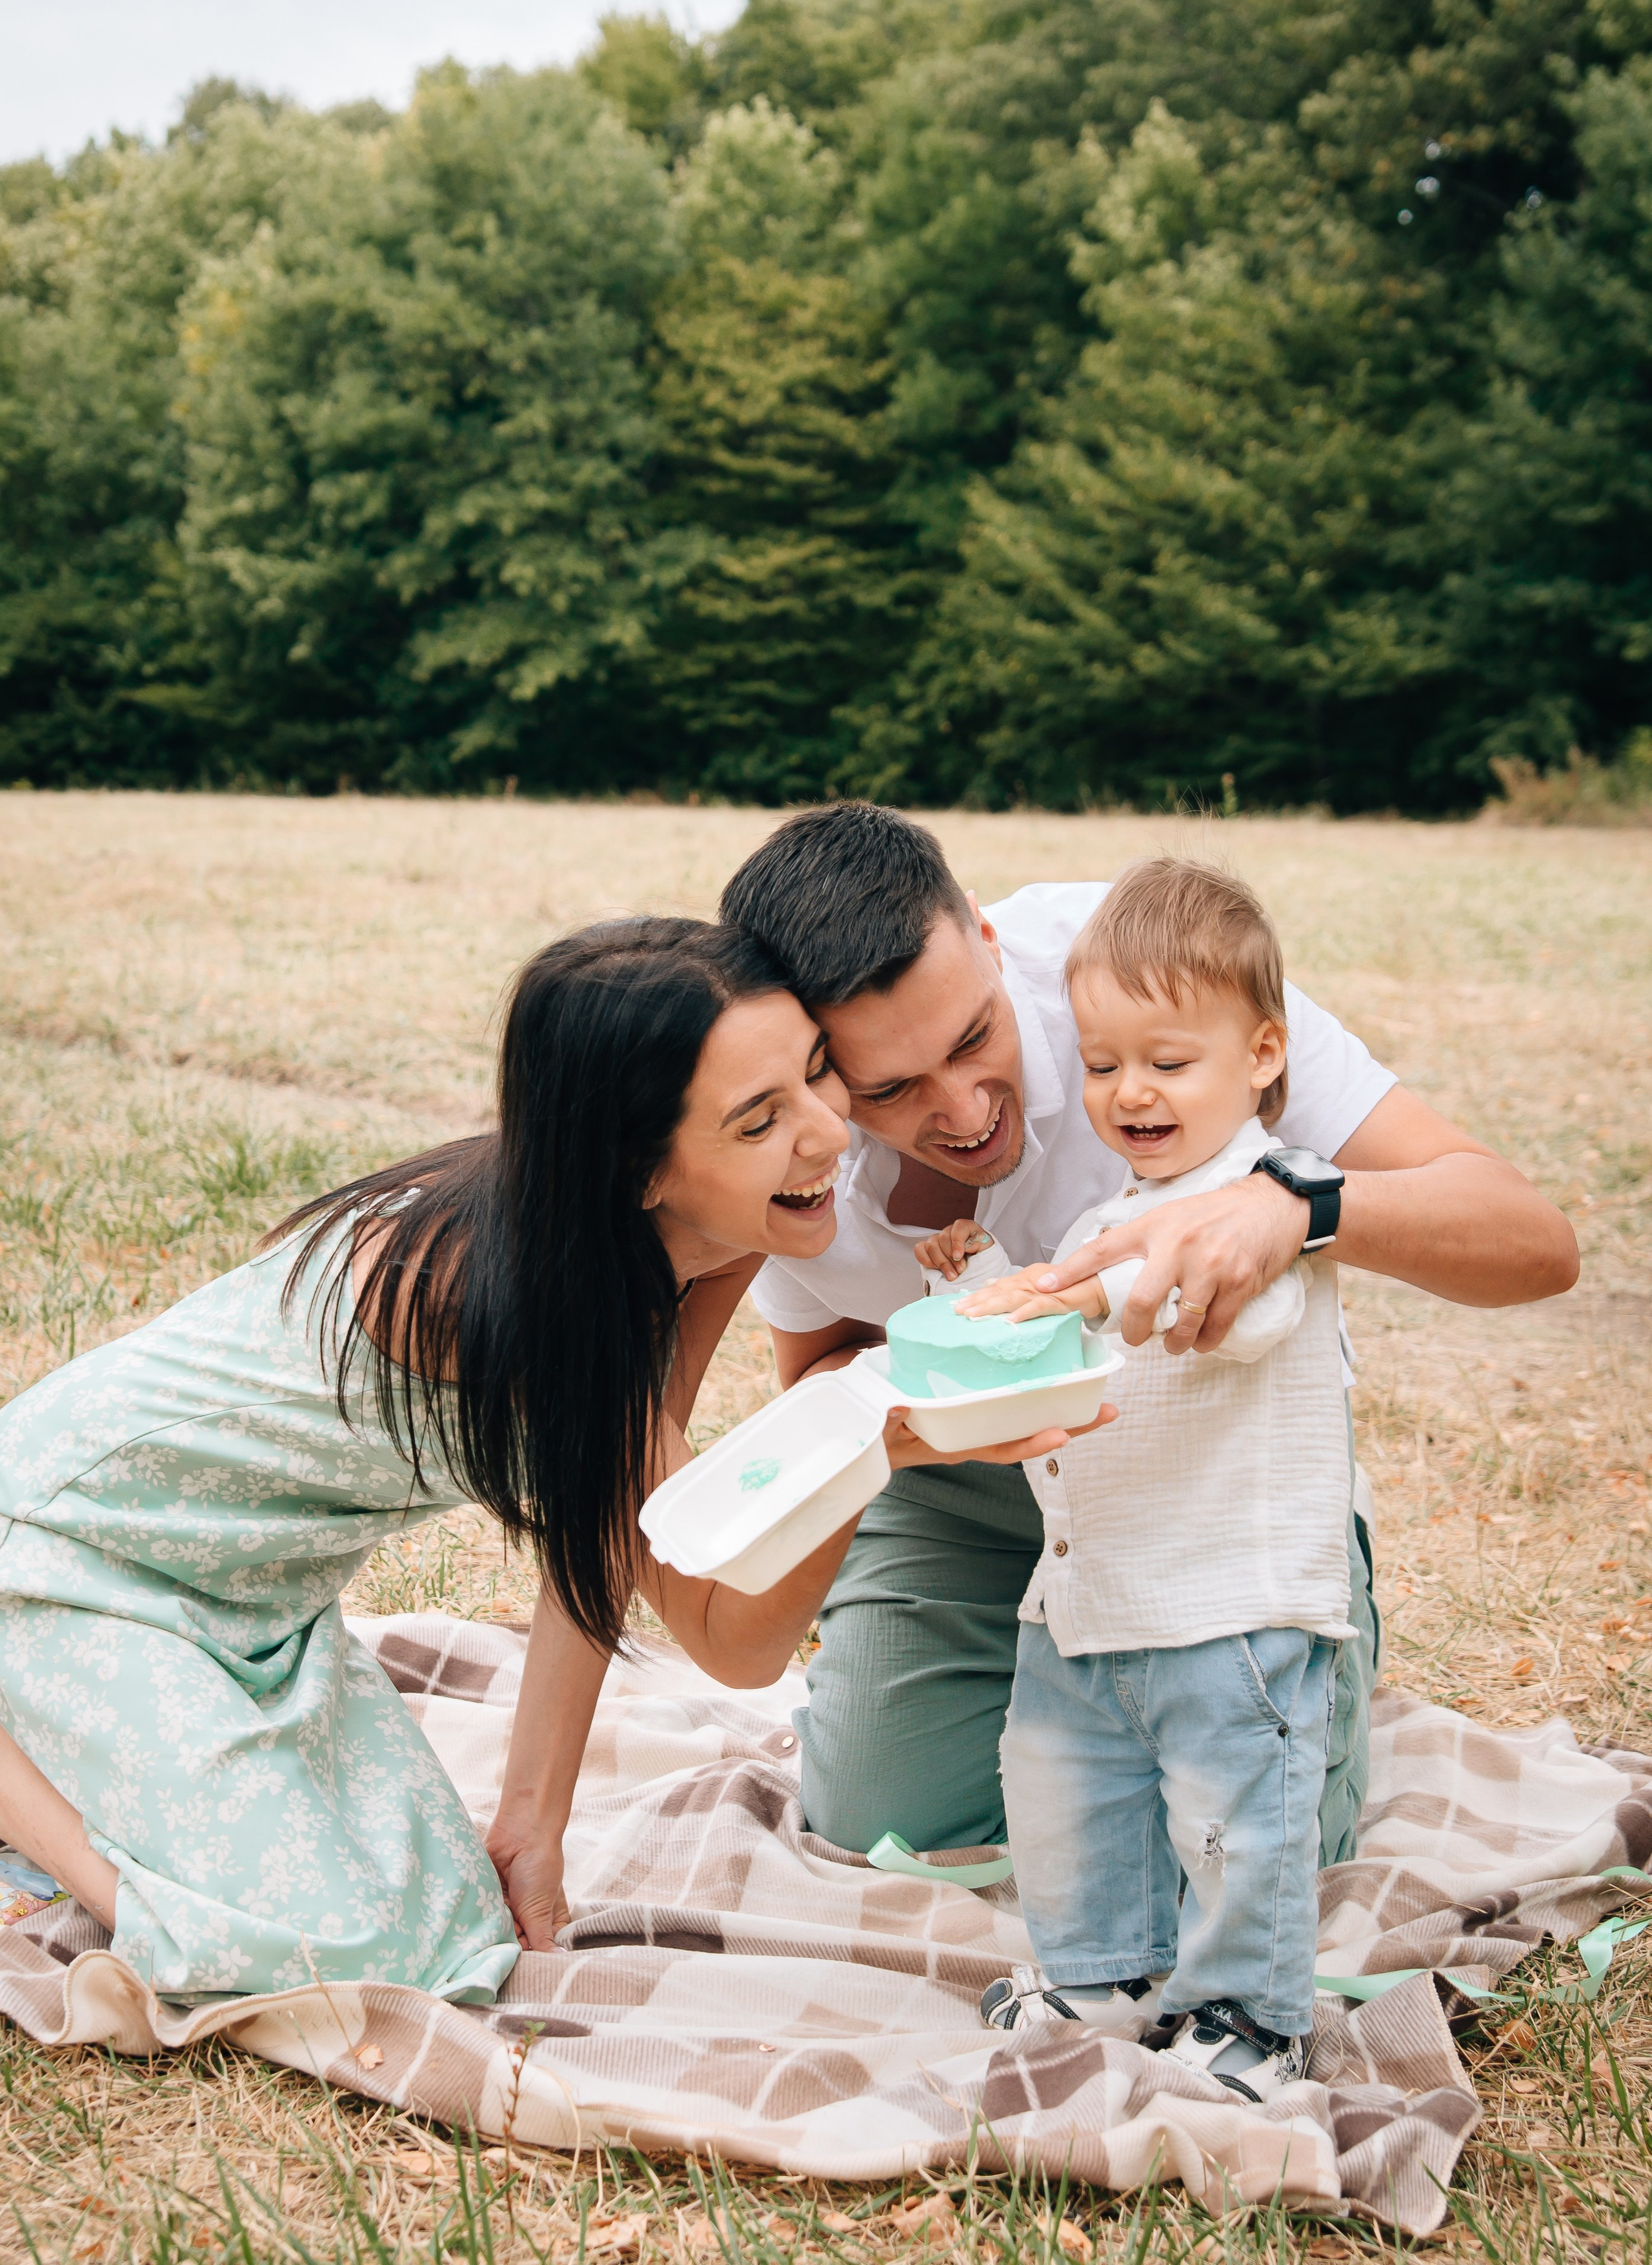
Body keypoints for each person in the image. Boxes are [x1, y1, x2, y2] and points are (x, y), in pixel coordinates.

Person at [512, 805, 1577, 1945]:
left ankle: (1274, 1666)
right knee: (883, 1824)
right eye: (888, 1091)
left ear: (983, 937)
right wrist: (535, 1811)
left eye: (975, 1038)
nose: (962, 1114)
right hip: (962, 1483)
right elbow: (643, 1455)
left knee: (1245, 1880)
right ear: (809, 1061)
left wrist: (1294, 1205)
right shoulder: (778, 1134)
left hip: (1222, 1481)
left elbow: (1533, 1242)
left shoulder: (1139, 973)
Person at [0, 918, 1070, 1999]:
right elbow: (729, 1639)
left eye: (814, 1075)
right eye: (761, 1120)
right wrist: (872, 1439)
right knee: (368, 1959)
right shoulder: (517, 1306)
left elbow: (615, 1533)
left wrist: (530, 1824)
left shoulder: (717, 1225)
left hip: (257, 1608)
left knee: (460, 1931)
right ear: (644, 1169)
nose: (830, 1137)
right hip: (67, 1564)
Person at [922, 858, 1360, 2099]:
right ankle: (1102, 1967)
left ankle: (1250, 2016)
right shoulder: (1112, 1212)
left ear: (1264, 1053)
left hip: (1228, 1598)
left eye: (1169, 1062)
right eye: (1106, 1063)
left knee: (1236, 1813)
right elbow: (1067, 1341)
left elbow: (1205, 1311)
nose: (1131, 1092)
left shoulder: (1261, 1204)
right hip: (1090, 1588)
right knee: (1066, 1786)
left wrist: (1077, 1286)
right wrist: (980, 1288)